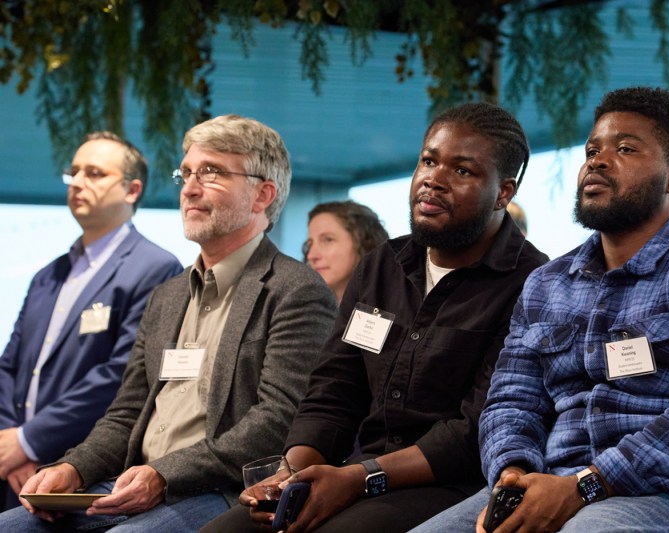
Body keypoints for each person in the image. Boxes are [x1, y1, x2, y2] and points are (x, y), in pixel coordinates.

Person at [410, 87, 669, 533]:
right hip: (552, 484)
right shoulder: (547, 284)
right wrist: (512, 476)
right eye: (592, 149)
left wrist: (586, 486)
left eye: (625, 149)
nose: (597, 161)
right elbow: (511, 401)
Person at [201, 101, 550, 533]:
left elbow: (475, 429)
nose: (433, 181)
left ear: (504, 192)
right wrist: (293, 471)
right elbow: (334, 387)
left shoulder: (532, 282)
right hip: (353, 472)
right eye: (428, 161)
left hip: (449, 483)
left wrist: (357, 480)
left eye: (462, 171)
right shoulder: (382, 264)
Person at [0, 114, 338, 531]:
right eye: (188, 173)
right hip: (131, 484)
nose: (190, 188)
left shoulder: (295, 289)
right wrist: (73, 468)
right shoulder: (169, 295)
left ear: (262, 194)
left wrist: (165, 474)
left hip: (221, 491)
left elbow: (277, 420)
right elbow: (126, 413)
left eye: (211, 173)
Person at [0, 132, 183, 510]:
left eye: (95, 173)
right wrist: (10, 442)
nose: (78, 182)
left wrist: (31, 441)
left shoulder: (154, 268)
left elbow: (119, 375)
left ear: (132, 190)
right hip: (11, 463)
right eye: (75, 172)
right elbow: (9, 367)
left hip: (83, 463)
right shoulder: (47, 275)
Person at [304, 200, 389, 303]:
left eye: (328, 240)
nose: (311, 256)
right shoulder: (308, 308)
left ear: (364, 242)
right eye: (310, 244)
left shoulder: (397, 305)